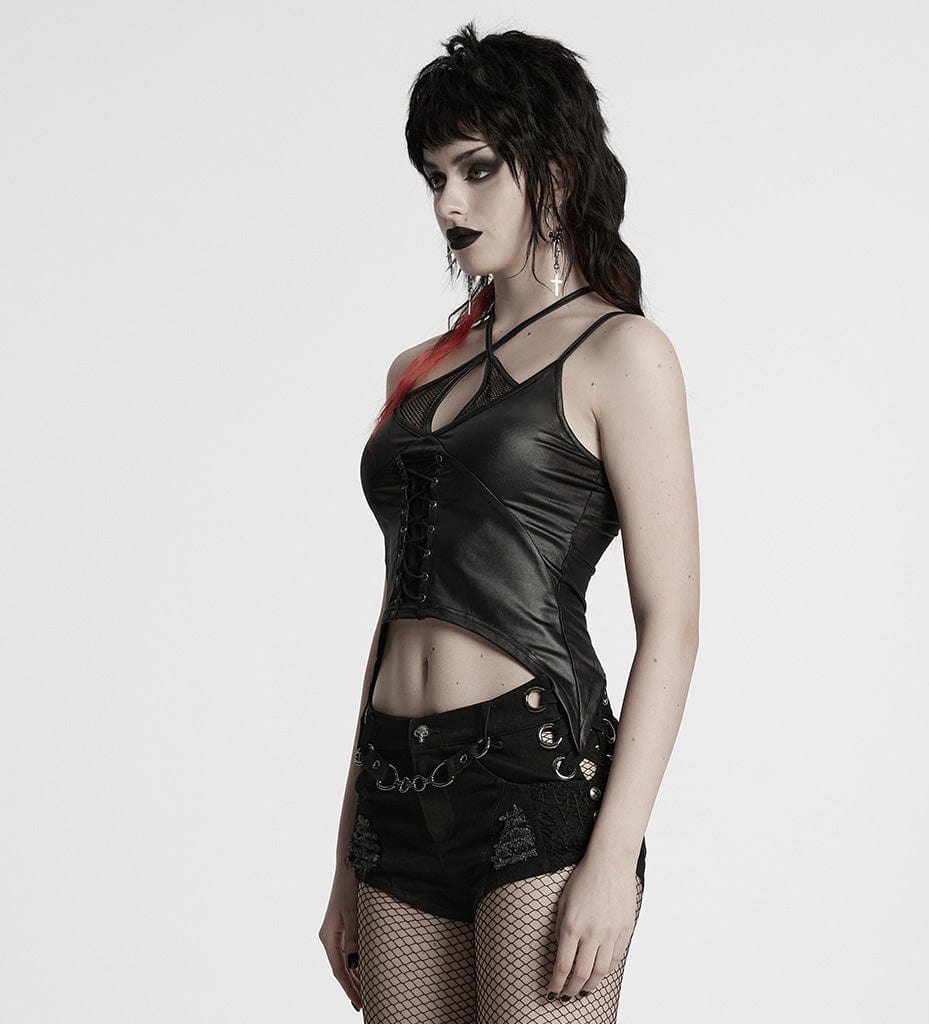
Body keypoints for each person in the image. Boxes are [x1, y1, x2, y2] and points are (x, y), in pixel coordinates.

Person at [319, 22, 699, 1023]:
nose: (448, 203)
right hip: (394, 789)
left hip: (537, 779)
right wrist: (344, 857)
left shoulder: (623, 353)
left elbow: (672, 623)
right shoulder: (417, 370)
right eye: (434, 176)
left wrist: (613, 855)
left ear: (556, 169)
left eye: (477, 168)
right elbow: (398, 609)